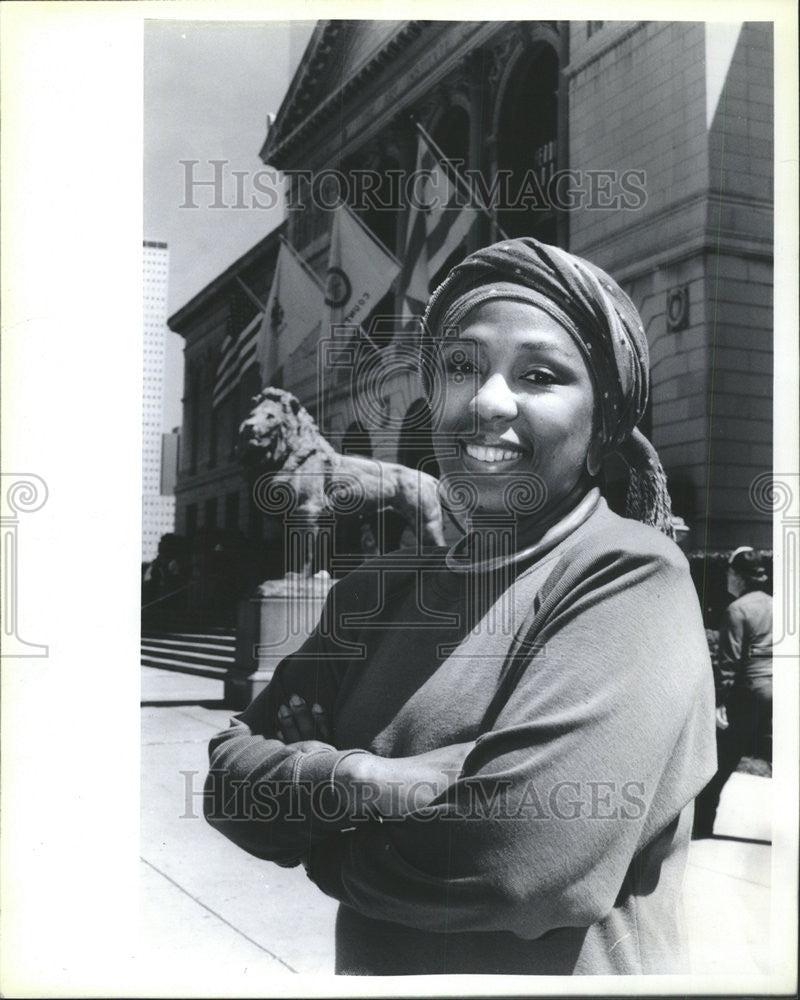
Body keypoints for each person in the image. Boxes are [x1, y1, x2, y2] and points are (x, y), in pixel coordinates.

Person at [205, 238, 716, 976]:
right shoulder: (379, 586)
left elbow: (522, 862)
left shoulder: (628, 575)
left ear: (603, 424)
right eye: (461, 367)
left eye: (539, 375)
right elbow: (226, 776)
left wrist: (317, 835)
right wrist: (354, 778)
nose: (486, 402)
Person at [692, 547, 772, 838]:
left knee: (720, 759)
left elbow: (729, 663)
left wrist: (720, 702)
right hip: (778, 692)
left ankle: (701, 827)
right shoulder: (777, 606)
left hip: (749, 693)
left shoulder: (737, 610)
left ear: (738, 576)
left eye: (729, 572)